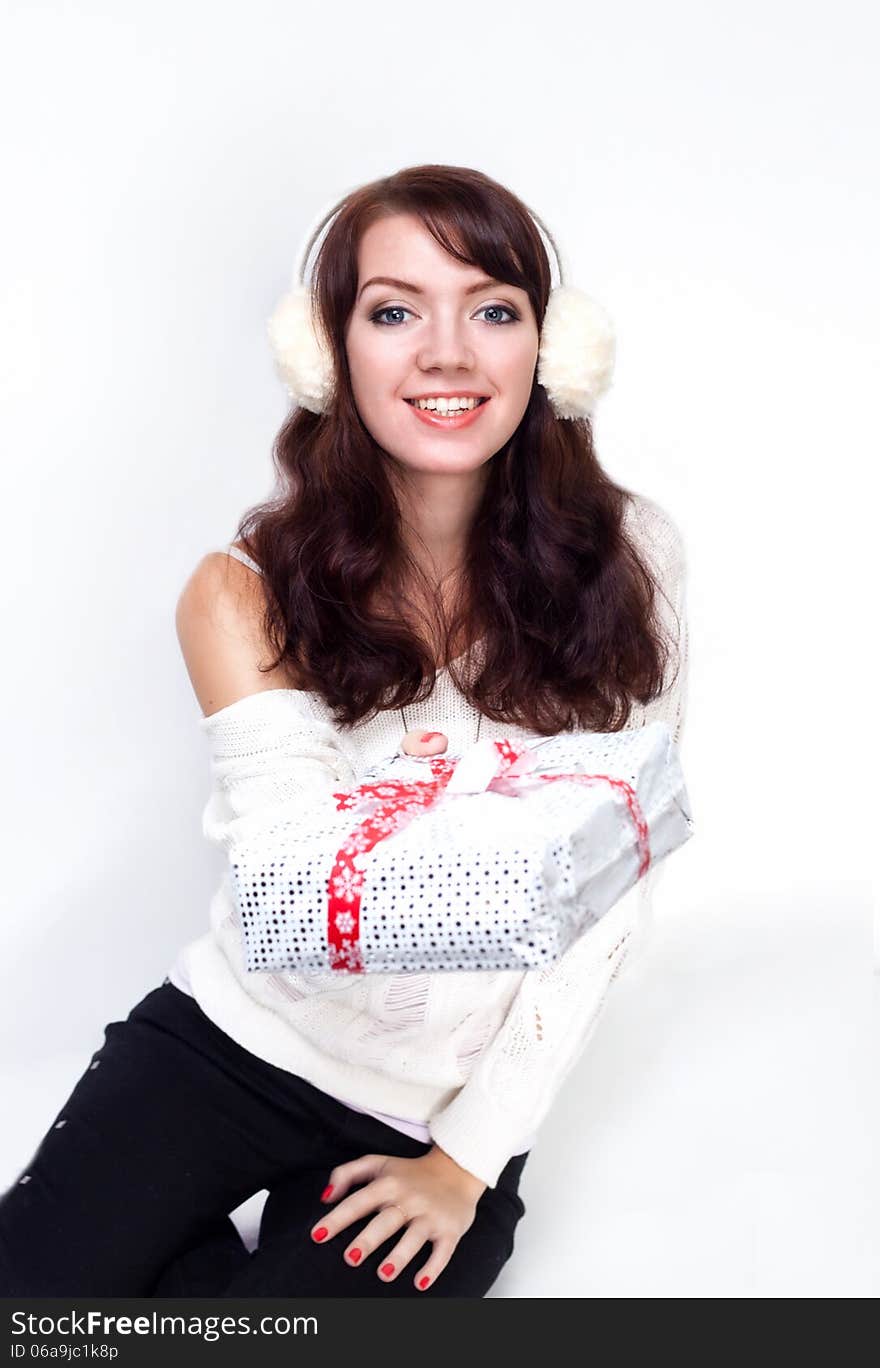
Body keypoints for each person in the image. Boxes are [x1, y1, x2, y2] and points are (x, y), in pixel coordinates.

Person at [0, 164, 688, 1297]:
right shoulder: (239, 594)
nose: (448, 353)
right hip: (233, 1044)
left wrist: (467, 1163)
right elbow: (292, 917)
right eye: (393, 310)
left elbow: (609, 919)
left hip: (435, 1124)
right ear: (329, 354)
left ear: (547, 352)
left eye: (494, 309)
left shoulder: (633, 566)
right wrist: (564, 860)